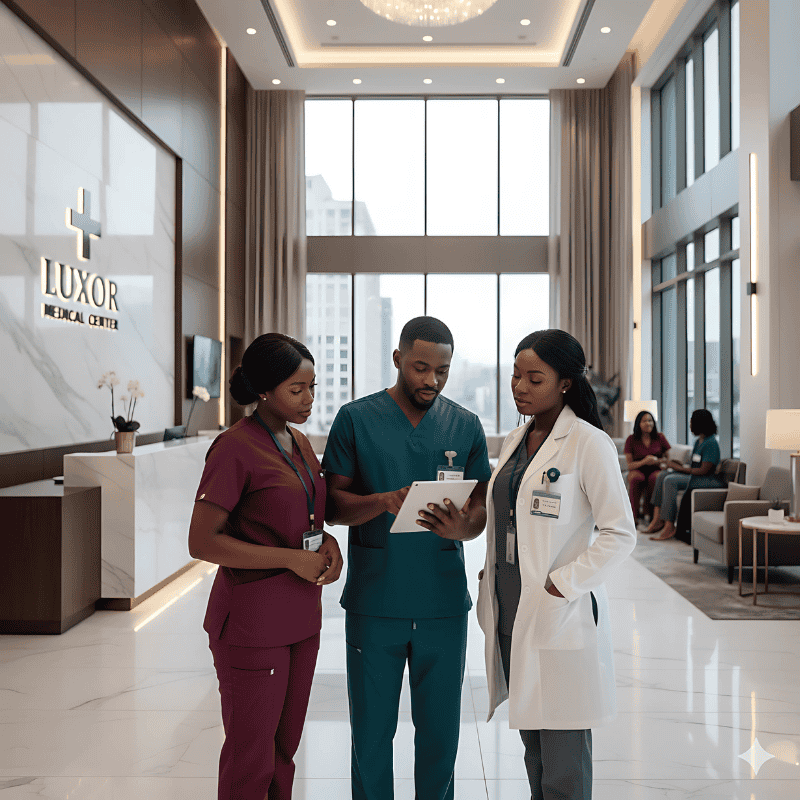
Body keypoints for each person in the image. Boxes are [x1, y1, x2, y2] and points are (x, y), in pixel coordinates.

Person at [323, 316, 492, 800]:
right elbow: (332, 506)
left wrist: (463, 528)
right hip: (376, 599)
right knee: (371, 733)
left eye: (442, 371)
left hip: (442, 602)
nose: (432, 380)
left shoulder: (465, 425)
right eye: (421, 368)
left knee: (440, 734)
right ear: (397, 359)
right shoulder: (356, 419)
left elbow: (479, 510)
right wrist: (381, 501)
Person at [475, 329, 636, 800]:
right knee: (535, 748)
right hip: (510, 608)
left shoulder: (588, 443)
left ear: (565, 383)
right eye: (515, 376)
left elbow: (620, 533)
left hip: (557, 611)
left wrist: (562, 584)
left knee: (563, 758)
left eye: (534, 378)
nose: (519, 387)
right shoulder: (516, 439)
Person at [188, 332, 344, 800]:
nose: (309, 398)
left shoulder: (299, 442)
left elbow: (304, 515)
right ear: (263, 391)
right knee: (251, 756)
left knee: (283, 751)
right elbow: (202, 541)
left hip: (302, 618)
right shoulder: (234, 447)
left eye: (313, 387)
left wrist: (327, 542)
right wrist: (290, 559)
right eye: (297, 389)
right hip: (252, 625)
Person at [647, 408, 724, 542]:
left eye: (691, 422)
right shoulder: (698, 441)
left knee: (670, 480)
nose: (690, 426)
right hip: (693, 475)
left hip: (701, 479)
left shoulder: (711, 443)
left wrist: (678, 468)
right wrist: (676, 465)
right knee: (662, 475)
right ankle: (657, 519)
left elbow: (703, 471)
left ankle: (669, 525)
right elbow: (693, 464)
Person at [624, 410, 670, 523]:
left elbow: (668, 460)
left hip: (656, 469)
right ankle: (633, 517)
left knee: (655, 478)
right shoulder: (631, 439)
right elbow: (630, 465)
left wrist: (657, 461)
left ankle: (651, 515)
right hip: (637, 469)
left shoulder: (660, 437)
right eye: (644, 421)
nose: (648, 423)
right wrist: (644, 461)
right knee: (636, 479)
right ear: (638, 423)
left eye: (650, 420)